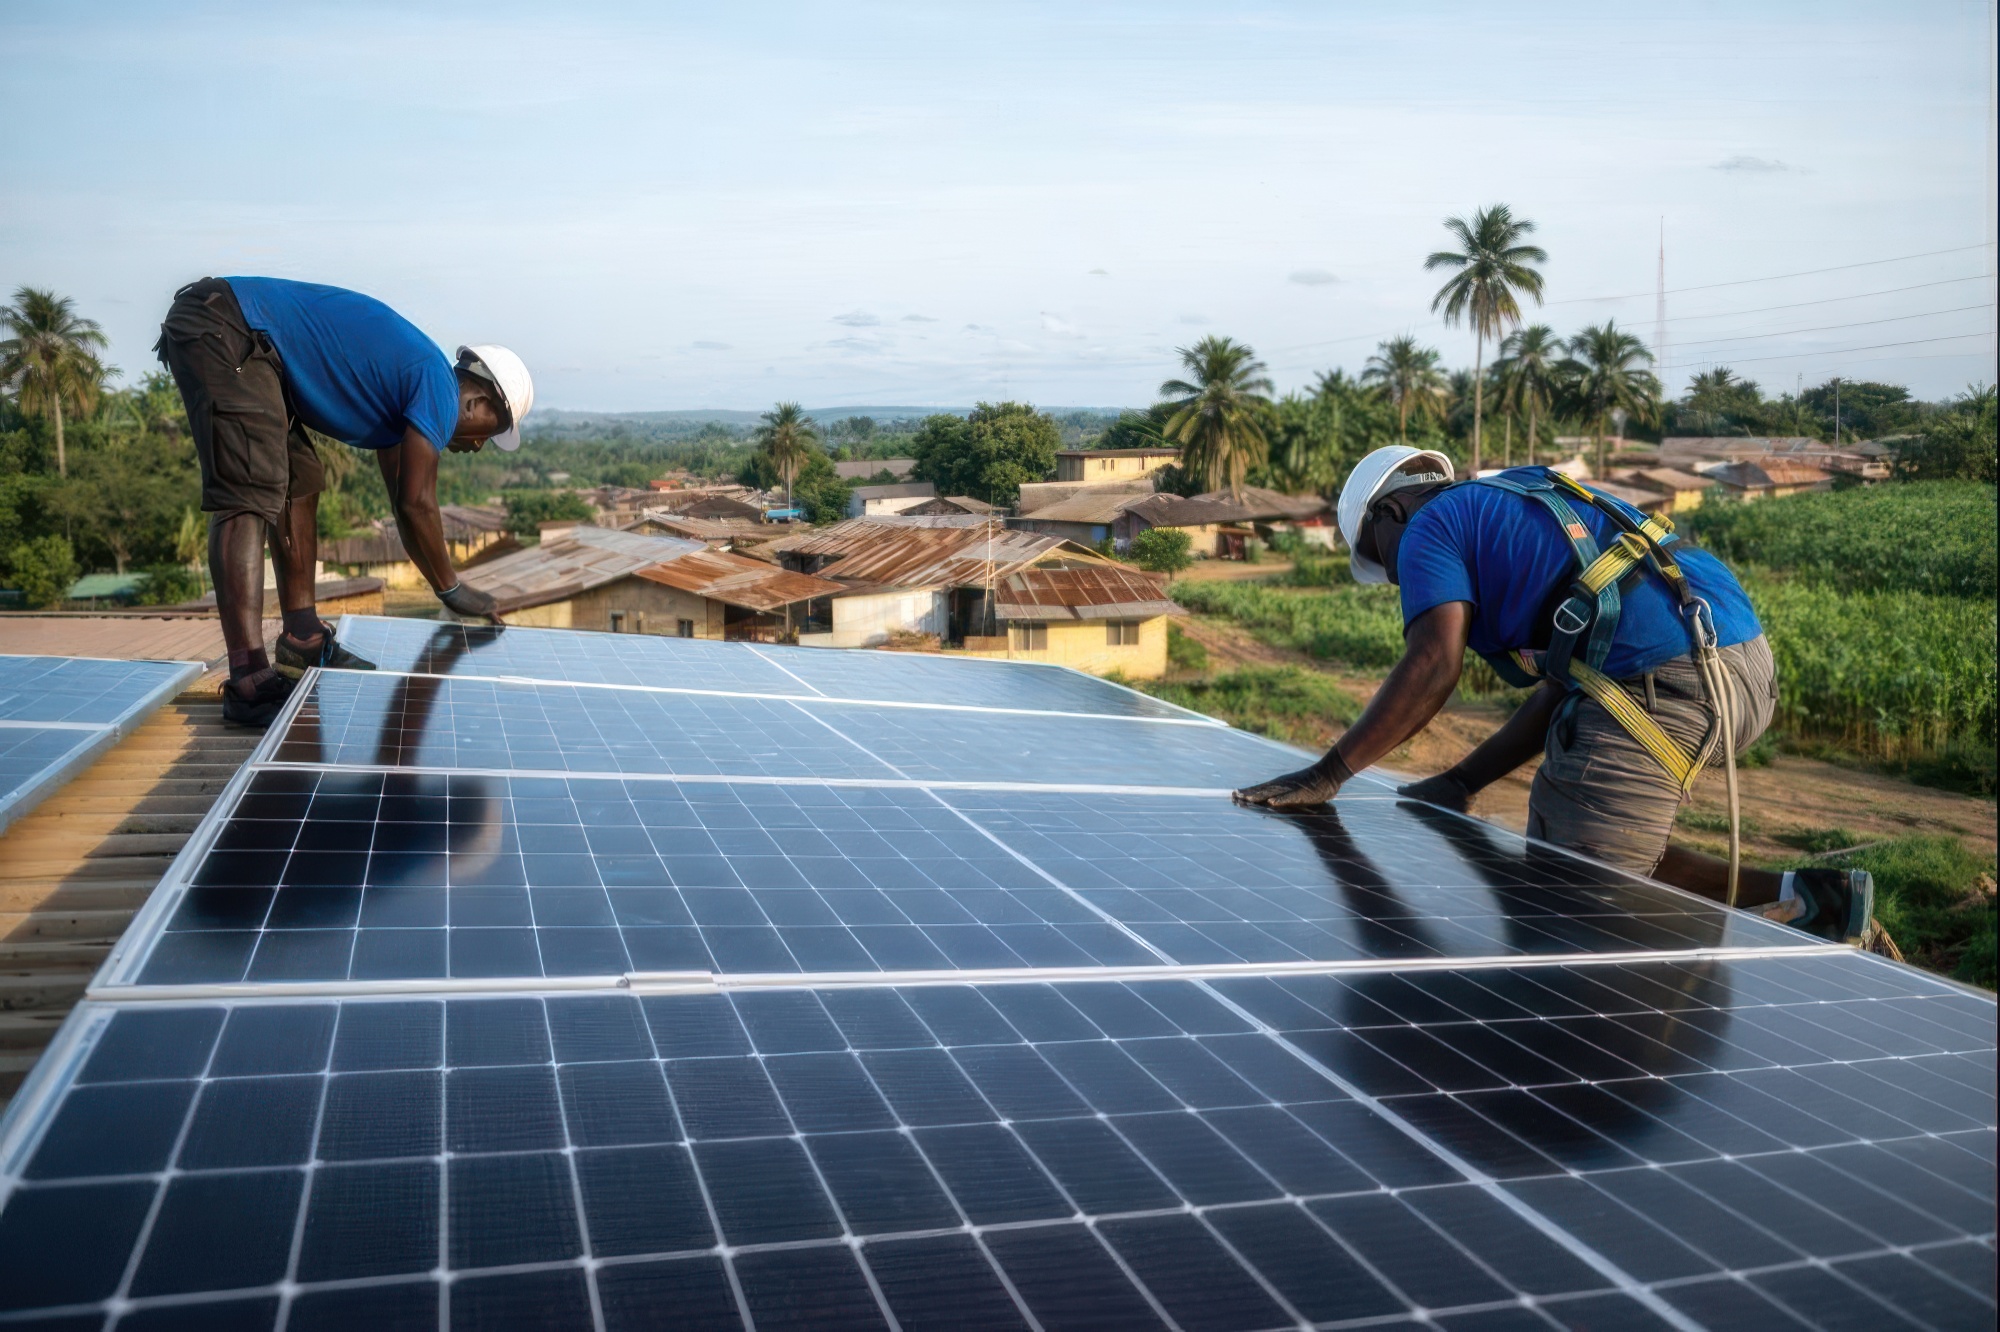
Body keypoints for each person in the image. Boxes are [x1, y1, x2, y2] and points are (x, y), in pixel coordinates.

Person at [1233, 445, 1873, 944]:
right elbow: (1569, 685)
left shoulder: (1429, 525)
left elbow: (1433, 663)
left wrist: (1330, 772)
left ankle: (1743, 935)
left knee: (1577, 881)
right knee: (1562, 837)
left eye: (1386, 560)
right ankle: (1809, 894)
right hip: (1743, 665)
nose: (1403, 577)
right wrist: (1459, 782)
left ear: (1392, 512)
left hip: (1669, 680)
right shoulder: (1518, 505)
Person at [156, 277, 529, 726]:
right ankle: (249, 680)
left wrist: (445, 587)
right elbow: (418, 503)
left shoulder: (406, 404)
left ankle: (303, 636)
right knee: (249, 489)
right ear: (476, 400)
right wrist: (452, 588)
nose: (479, 445)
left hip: (252, 346)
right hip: (228, 325)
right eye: (490, 430)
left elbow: (404, 508)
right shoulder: (438, 387)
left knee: (301, 480)